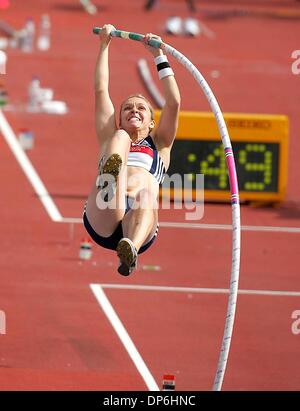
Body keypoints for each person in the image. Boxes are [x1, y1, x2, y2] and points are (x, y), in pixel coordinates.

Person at [83, 24, 180, 276]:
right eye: (128, 108)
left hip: (137, 222)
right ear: (120, 115)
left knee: (146, 198)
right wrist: (104, 45)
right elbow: (100, 89)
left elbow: (173, 102)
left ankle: (129, 251)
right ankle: (112, 176)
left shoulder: (161, 145)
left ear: (151, 123)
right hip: (106, 209)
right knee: (120, 138)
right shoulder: (112, 136)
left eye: (141, 108)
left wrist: (159, 56)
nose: (133, 110)